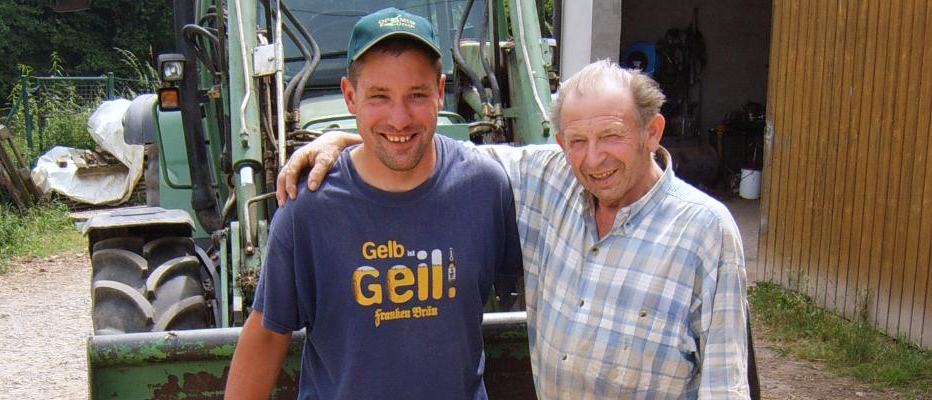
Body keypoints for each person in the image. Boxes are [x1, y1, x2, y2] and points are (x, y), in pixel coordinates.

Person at [276, 59, 753, 398]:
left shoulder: (706, 231)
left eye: (612, 136)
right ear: (561, 142)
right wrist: (352, 139)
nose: (593, 158)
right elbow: (426, 156)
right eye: (578, 141)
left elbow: (723, 386)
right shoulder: (552, 180)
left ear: (652, 132)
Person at [225, 8, 522, 399]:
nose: (399, 118)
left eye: (416, 95)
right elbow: (266, 336)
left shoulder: (485, 188)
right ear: (350, 95)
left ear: (439, 91)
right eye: (379, 96)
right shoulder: (308, 209)